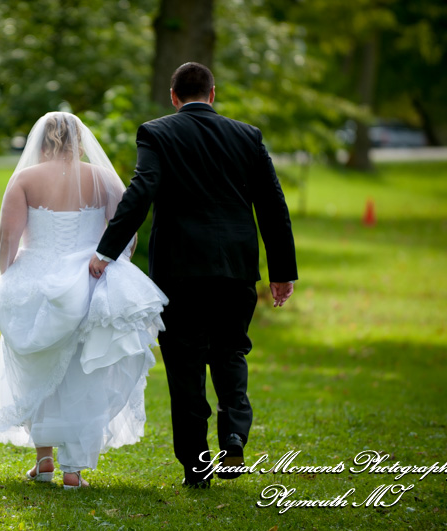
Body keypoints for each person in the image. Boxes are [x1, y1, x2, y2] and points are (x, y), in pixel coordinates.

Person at [89, 62, 298, 489]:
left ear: (173, 96)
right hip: (236, 266)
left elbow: (142, 189)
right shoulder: (248, 136)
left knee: (184, 365)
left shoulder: (156, 132)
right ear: (212, 93)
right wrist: (282, 272)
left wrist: (106, 251)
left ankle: (196, 467)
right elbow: (273, 206)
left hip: (180, 268)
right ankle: (234, 437)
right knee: (231, 352)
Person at [0, 112, 168, 489]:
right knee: (82, 374)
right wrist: (114, 265)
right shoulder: (101, 177)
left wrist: (9, 276)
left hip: (38, 280)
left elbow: (7, 237)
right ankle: (73, 470)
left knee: (39, 365)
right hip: (91, 280)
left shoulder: (25, 179)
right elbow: (126, 230)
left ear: (41, 143)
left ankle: (45, 460)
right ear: (79, 142)